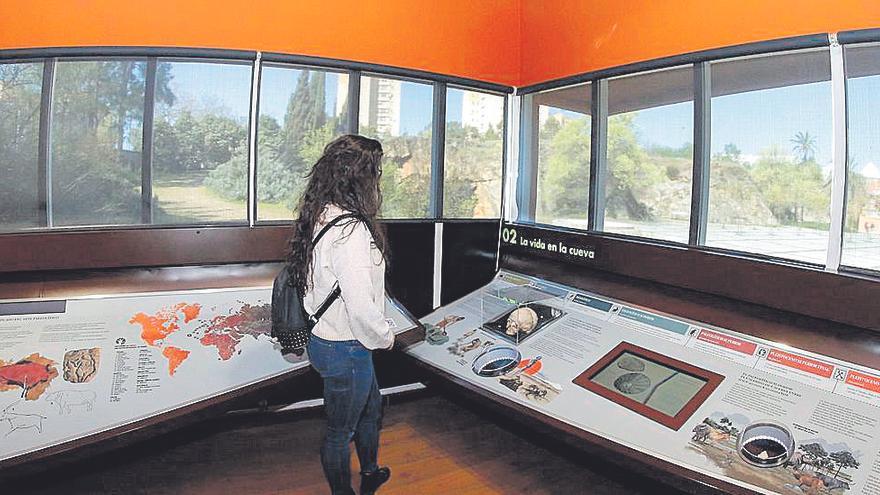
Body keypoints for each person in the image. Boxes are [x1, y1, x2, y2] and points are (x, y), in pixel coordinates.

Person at [286, 135, 395, 495]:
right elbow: (361, 306)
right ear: (360, 176)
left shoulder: (322, 213)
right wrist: (385, 336)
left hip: (329, 341)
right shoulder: (351, 230)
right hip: (348, 347)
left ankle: (370, 470)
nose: (378, 178)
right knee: (339, 433)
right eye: (375, 171)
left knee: (371, 408)